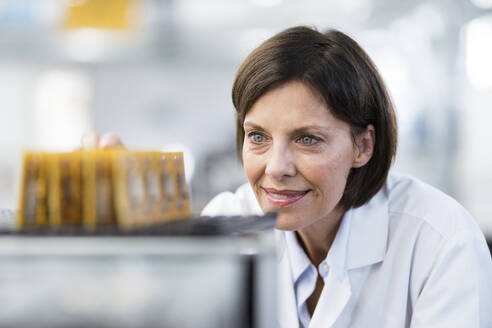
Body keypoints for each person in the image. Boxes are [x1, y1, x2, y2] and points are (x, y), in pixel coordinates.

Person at [84, 26, 492, 327]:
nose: (276, 167)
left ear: (363, 146)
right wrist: (132, 228)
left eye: (308, 139)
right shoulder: (231, 221)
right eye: (257, 136)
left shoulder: (441, 240)